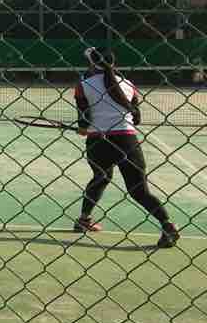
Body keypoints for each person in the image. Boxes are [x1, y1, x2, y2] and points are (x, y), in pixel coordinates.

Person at [72, 47, 179, 248]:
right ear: (114, 64)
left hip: (99, 142)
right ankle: (167, 225)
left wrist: (83, 128)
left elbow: (84, 120)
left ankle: (84, 219)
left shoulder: (83, 85)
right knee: (140, 191)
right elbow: (136, 119)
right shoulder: (129, 85)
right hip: (127, 141)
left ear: (92, 64)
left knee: (101, 177)